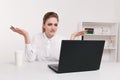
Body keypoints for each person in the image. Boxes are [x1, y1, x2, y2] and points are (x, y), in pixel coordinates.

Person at [10, 12, 86, 62]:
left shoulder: (62, 39)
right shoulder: (36, 38)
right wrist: (26, 35)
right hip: (39, 73)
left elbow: (69, 59)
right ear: (44, 25)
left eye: (55, 25)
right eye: (50, 24)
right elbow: (30, 58)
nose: (53, 28)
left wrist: (73, 36)